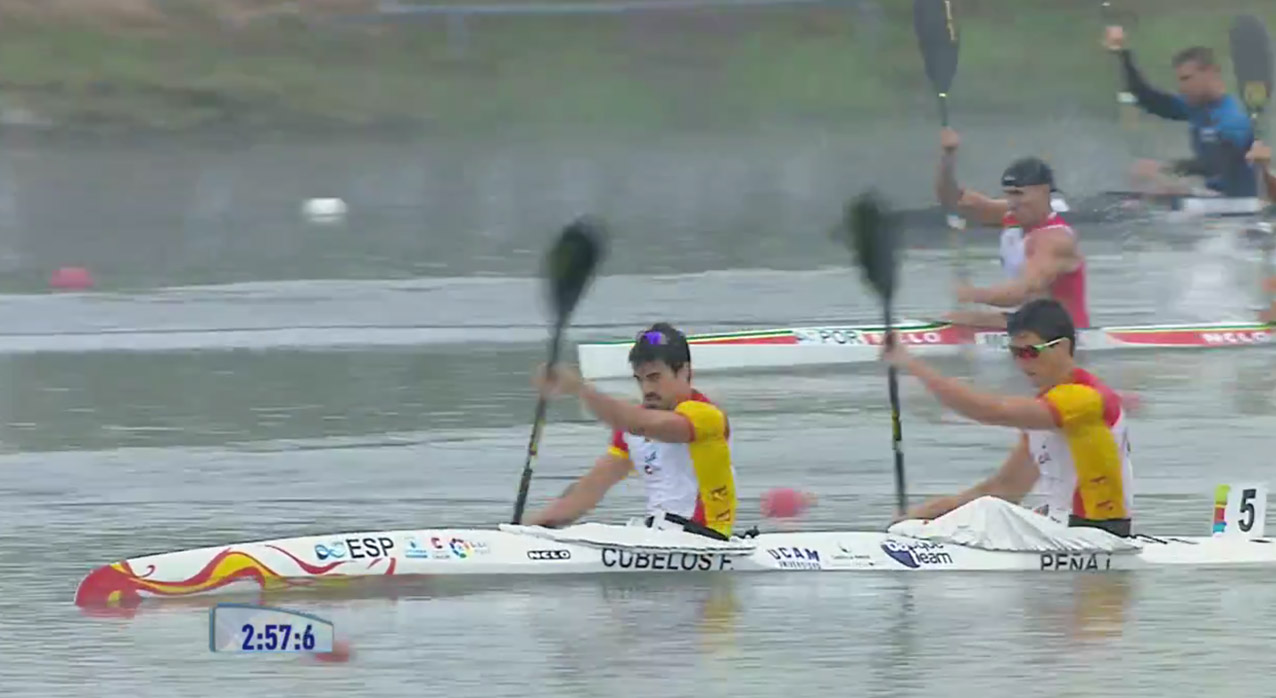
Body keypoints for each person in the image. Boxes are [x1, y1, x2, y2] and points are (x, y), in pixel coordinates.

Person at [882, 298, 1134, 537]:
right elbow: (1002, 490)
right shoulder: (1045, 411)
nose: (1022, 363)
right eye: (1015, 352)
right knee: (990, 505)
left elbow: (988, 411)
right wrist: (919, 516)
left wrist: (911, 364)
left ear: (1063, 347)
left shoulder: (1084, 399)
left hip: (1098, 534)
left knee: (989, 512)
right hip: (1064, 531)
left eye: (1030, 352)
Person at [525, 322, 737, 538]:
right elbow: (586, 493)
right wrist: (526, 531)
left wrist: (578, 388)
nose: (647, 389)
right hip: (658, 536)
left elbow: (640, 424)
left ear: (684, 372)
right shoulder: (631, 431)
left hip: (706, 539)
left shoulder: (706, 416)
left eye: (655, 378)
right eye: (640, 380)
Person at [935, 128, 1090, 330]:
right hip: (1031, 323)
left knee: (960, 320)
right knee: (954, 319)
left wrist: (974, 294)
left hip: (1064, 335)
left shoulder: (1055, 239)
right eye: (1008, 194)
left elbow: (1023, 291)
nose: (1012, 203)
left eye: (1019, 194)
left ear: (1044, 191)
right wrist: (948, 157)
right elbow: (952, 200)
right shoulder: (1012, 216)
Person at [1104, 26, 1256, 198]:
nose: (1181, 88)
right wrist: (1123, 55)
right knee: (1135, 199)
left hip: (1242, 208)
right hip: (1216, 199)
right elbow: (1150, 100)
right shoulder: (1197, 107)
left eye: (1187, 79)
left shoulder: (1233, 118)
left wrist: (1164, 168)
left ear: (1212, 73)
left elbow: (1220, 163)